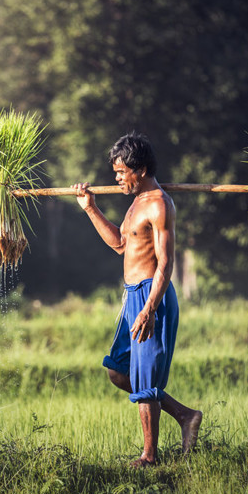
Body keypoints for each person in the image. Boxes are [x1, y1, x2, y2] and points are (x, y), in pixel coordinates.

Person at [72, 132, 203, 467]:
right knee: (118, 371)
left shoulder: (159, 204)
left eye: (121, 172)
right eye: (115, 172)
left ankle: (150, 456)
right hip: (132, 296)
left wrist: (150, 308)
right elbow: (120, 243)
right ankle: (185, 416)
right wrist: (90, 208)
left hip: (150, 295)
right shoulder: (136, 203)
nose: (117, 179)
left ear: (140, 169)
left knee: (145, 379)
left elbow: (166, 263)